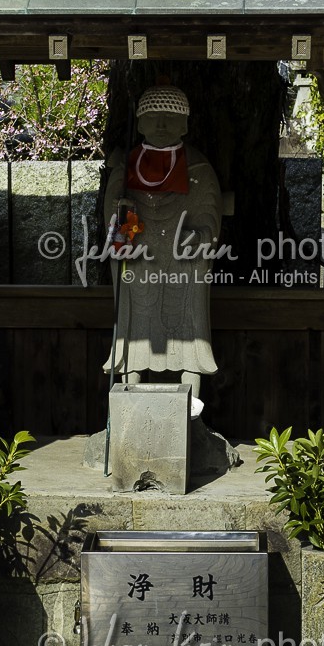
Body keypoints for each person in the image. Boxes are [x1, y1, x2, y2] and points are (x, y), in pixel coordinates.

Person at [101, 84, 221, 416]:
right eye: (154, 117)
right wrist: (120, 210)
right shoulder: (127, 166)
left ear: (185, 124)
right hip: (138, 261)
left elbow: (208, 214)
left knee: (188, 324)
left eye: (171, 118)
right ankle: (129, 392)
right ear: (139, 123)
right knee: (134, 322)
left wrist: (199, 236)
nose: (162, 125)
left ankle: (191, 407)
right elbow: (114, 222)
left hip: (183, 264)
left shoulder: (197, 167)